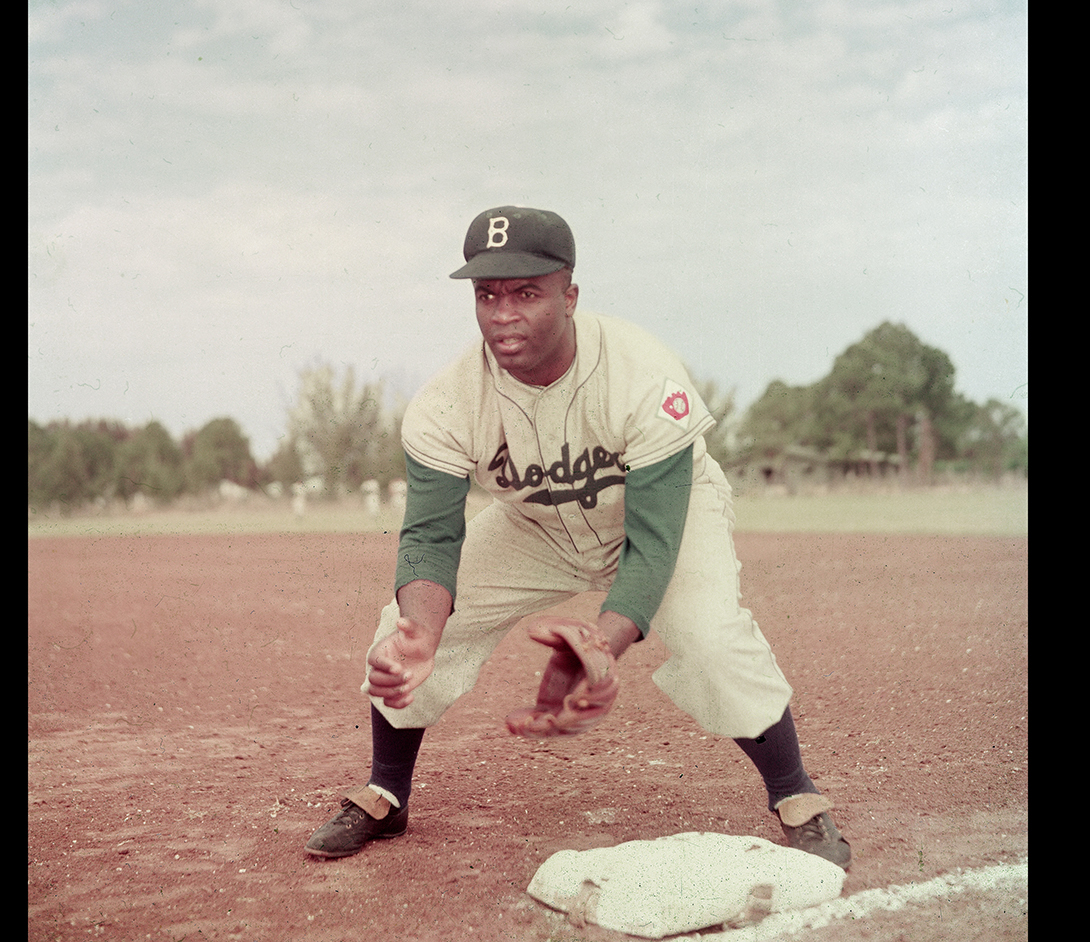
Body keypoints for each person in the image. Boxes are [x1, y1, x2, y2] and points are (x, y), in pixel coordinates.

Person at [304, 206, 851, 870]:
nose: (503, 313)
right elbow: (428, 534)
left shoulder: (641, 371)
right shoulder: (447, 403)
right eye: (487, 294)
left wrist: (600, 641)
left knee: (710, 635)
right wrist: (421, 629)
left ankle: (796, 794)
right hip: (536, 521)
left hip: (659, 515)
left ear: (570, 295)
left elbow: (651, 546)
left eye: (526, 292)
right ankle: (386, 788)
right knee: (404, 626)